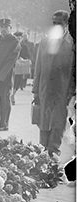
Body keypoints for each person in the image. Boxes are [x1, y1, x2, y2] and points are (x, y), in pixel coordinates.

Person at [32, 10, 75, 157]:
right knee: (44, 122)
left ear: (66, 24)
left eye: (60, 23)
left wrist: (71, 93)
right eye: (54, 23)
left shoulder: (72, 44)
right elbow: (38, 68)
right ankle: (43, 152)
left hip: (62, 91)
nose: (56, 26)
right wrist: (35, 91)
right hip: (45, 89)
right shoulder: (44, 42)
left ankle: (53, 152)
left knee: (58, 123)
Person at [10, 31, 32, 105]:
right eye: (17, 37)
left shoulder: (24, 46)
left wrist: (24, 59)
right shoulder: (10, 45)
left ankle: (13, 94)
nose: (19, 39)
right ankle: (10, 95)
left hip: (19, 67)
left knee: (17, 82)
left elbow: (28, 55)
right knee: (11, 81)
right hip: (10, 66)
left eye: (20, 38)